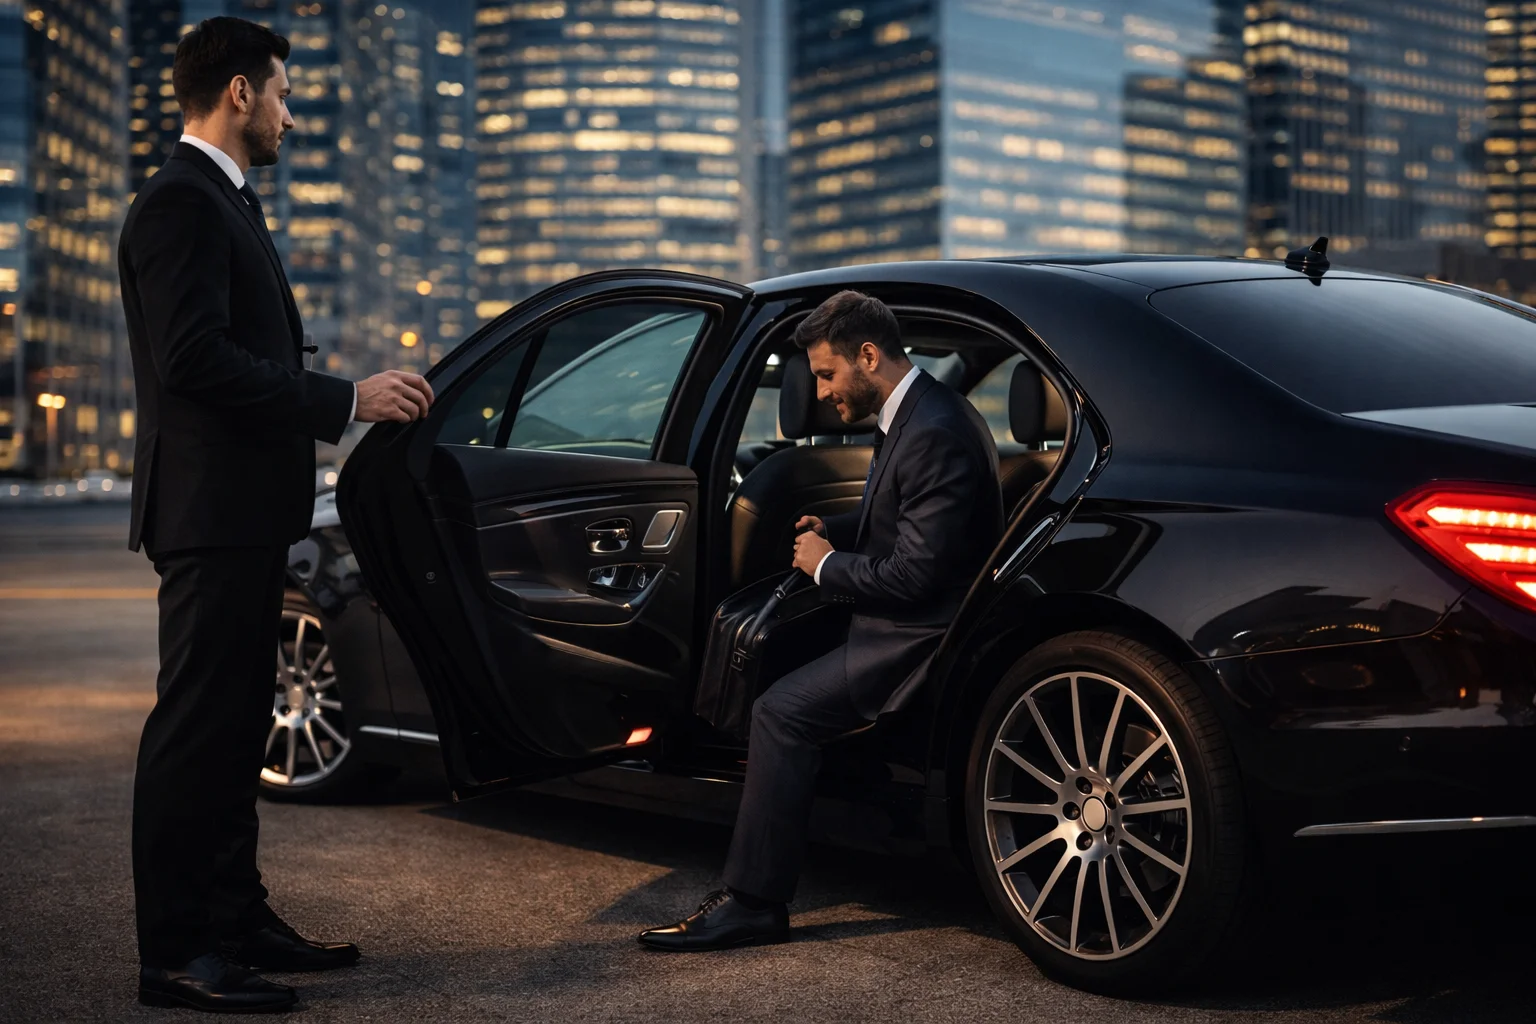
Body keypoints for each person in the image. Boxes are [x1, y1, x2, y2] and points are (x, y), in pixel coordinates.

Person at [118, 17, 434, 1013]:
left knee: (233, 726)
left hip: (246, 514)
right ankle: (175, 952)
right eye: (286, 94)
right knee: (195, 732)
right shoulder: (181, 204)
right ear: (242, 92)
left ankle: (234, 917)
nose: (292, 114)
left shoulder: (225, 204)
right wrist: (345, 401)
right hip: (208, 515)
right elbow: (194, 360)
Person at [639, 290, 1004, 950]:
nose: (824, 393)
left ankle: (753, 900)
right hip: (903, 621)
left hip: (917, 640)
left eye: (829, 374)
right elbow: (912, 528)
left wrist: (826, 565)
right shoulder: (922, 411)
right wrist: (832, 529)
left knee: (780, 711)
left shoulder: (933, 432)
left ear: (869, 355)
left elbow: (916, 579)